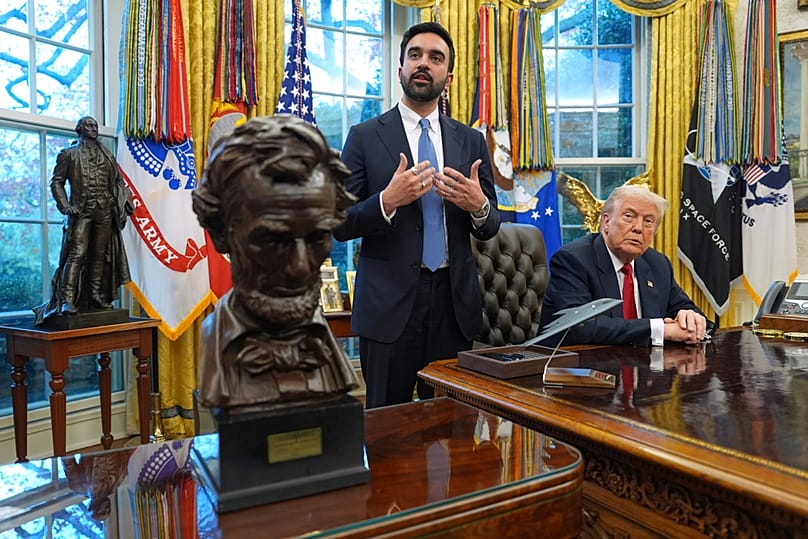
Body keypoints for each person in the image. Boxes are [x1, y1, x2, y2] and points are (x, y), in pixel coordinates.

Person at [333, 22, 501, 408]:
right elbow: (338, 223)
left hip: (453, 305)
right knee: (386, 426)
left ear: (448, 78)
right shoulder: (364, 136)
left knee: (451, 423)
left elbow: (490, 226)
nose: (424, 63)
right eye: (415, 55)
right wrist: (386, 201)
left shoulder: (470, 140)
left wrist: (478, 205)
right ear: (400, 70)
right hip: (388, 307)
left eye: (435, 58)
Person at [192, 115, 359, 411]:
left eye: (317, 238)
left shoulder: (326, 347)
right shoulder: (214, 342)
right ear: (221, 233)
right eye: (273, 241)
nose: (300, 267)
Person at [540, 184, 707, 347]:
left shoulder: (658, 264)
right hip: (576, 362)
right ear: (606, 222)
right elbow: (580, 326)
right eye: (629, 216)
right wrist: (660, 329)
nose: (638, 228)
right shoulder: (573, 260)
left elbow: (684, 307)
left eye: (648, 221)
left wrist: (689, 318)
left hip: (643, 361)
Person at [34, 116, 132, 323]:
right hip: (81, 212)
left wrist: (117, 198)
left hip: (104, 211)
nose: (94, 128)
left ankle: (95, 296)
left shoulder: (107, 155)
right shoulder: (69, 154)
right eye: (89, 125)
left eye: (95, 125)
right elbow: (57, 182)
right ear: (80, 129)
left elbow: (118, 181)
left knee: (99, 254)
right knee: (77, 254)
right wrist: (65, 206)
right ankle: (68, 299)